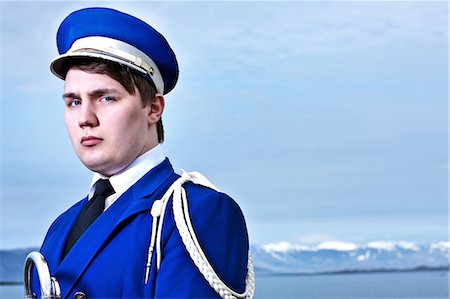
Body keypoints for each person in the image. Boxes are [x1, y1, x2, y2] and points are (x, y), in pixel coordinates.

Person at [30, 7, 253, 299]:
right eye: (73, 101)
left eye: (106, 98)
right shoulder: (62, 225)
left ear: (154, 109)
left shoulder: (194, 213)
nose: (85, 117)